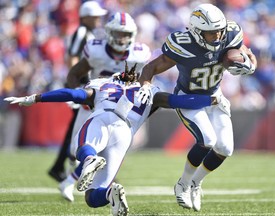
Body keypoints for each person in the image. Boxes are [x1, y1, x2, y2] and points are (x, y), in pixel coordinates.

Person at [4, 63, 218, 215]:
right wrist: (211, 99)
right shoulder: (151, 92)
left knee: (83, 146)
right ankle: (109, 194)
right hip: (124, 134)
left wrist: (35, 98)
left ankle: (89, 160)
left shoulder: (102, 84)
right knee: (92, 196)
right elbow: (177, 101)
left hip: (103, 117)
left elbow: (75, 95)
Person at [137, 3, 257, 212]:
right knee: (208, 140)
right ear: (196, 31)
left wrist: (250, 64)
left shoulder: (231, 33)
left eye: (219, 30)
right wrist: (145, 84)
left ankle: (196, 183)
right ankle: (183, 183)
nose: (218, 36)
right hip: (189, 98)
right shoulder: (183, 44)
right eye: (211, 33)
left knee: (225, 148)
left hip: (214, 97)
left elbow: (246, 52)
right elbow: (152, 66)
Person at [55, 11, 151, 201]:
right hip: (95, 103)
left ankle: (75, 182)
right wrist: (79, 95)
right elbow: (74, 73)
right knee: (78, 149)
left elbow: (146, 79)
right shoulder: (96, 49)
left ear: (132, 35)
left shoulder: (140, 54)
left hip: (121, 108)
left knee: (108, 149)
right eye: (118, 33)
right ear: (108, 32)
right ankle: (70, 180)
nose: (122, 38)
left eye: (125, 34)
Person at [48, 0, 108, 182]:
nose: (98, 19)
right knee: (78, 126)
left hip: (86, 86)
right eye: (95, 16)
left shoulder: (89, 32)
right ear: (86, 16)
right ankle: (69, 165)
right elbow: (73, 56)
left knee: (76, 127)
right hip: (81, 86)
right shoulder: (82, 32)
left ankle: (60, 166)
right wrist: (76, 83)